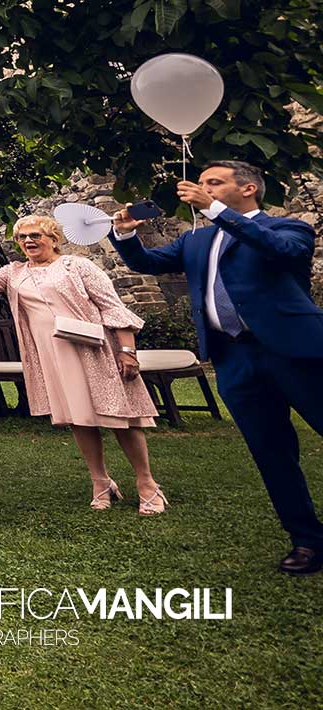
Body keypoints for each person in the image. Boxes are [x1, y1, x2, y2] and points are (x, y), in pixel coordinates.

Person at [108, 160, 323, 573]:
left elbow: (280, 253)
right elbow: (147, 264)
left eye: (213, 183)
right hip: (233, 357)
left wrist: (214, 209)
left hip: (295, 351)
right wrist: (125, 234)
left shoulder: (288, 229)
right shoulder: (196, 241)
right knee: (271, 452)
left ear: (248, 189)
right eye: (201, 182)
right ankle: (307, 540)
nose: (199, 188)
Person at [0, 217, 165, 514]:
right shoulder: (15, 272)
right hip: (52, 354)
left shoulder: (76, 266)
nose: (28, 241)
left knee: (122, 416)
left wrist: (126, 351)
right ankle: (101, 481)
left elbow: (112, 307)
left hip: (94, 349)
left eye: (35, 235)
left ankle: (146, 482)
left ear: (53, 238)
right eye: (21, 238)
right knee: (78, 417)